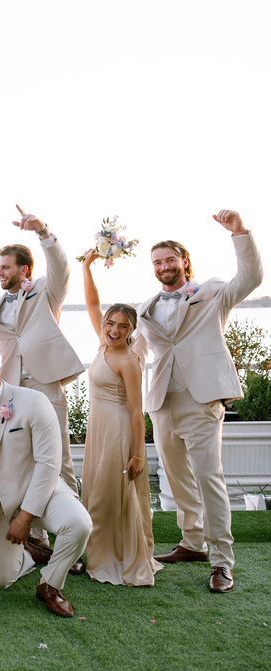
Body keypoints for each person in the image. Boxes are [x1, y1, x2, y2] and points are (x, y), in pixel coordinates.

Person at [136, 209, 262, 593]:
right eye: (157, 262)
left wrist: (239, 233)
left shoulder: (211, 293)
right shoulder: (146, 308)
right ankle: (193, 542)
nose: (163, 266)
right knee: (175, 478)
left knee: (209, 478)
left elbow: (251, 277)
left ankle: (223, 561)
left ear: (184, 262)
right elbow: (136, 351)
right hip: (162, 402)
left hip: (202, 400)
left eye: (170, 260)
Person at [0, 351, 92, 617]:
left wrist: (24, 519)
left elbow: (48, 464)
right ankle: (32, 554)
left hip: (43, 492)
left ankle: (49, 585)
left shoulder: (34, 401)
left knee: (79, 524)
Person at [0, 205, 84, 492]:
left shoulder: (45, 291)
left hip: (46, 383)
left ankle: (71, 525)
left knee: (58, 455)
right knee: (21, 458)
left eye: (5, 267)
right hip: (10, 390)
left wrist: (42, 231)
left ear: (23, 269)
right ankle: (34, 533)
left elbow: (61, 267)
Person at [81, 251, 162, 586]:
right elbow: (91, 304)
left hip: (116, 430)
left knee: (108, 494)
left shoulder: (129, 360)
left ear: (132, 330)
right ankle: (94, 552)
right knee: (96, 490)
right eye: (110, 324)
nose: (114, 330)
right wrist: (86, 267)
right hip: (98, 426)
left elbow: (135, 410)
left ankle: (113, 557)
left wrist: (138, 453)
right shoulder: (103, 344)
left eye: (122, 326)